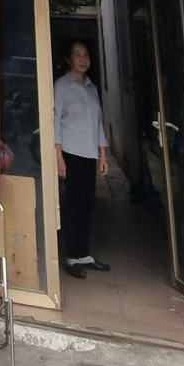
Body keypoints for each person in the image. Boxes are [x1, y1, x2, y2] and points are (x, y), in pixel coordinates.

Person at [53, 39, 110, 279]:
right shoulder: (61, 86)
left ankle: (84, 253)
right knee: (74, 205)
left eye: (85, 54)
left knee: (87, 204)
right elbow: (55, 123)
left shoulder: (91, 88)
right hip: (70, 153)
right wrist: (59, 157)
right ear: (68, 59)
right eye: (77, 54)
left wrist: (103, 154)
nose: (83, 58)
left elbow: (98, 123)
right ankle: (72, 256)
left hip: (89, 154)